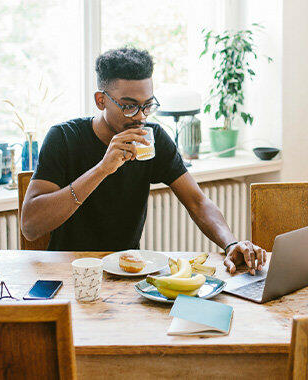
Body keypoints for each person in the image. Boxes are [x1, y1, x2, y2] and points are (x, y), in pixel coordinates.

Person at [21, 47, 264, 274]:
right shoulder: (64, 138)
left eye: (147, 106)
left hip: (127, 271)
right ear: (101, 100)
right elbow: (30, 227)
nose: (140, 117)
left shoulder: (154, 138)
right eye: (129, 107)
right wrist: (102, 169)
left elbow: (197, 202)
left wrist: (230, 242)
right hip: (70, 270)